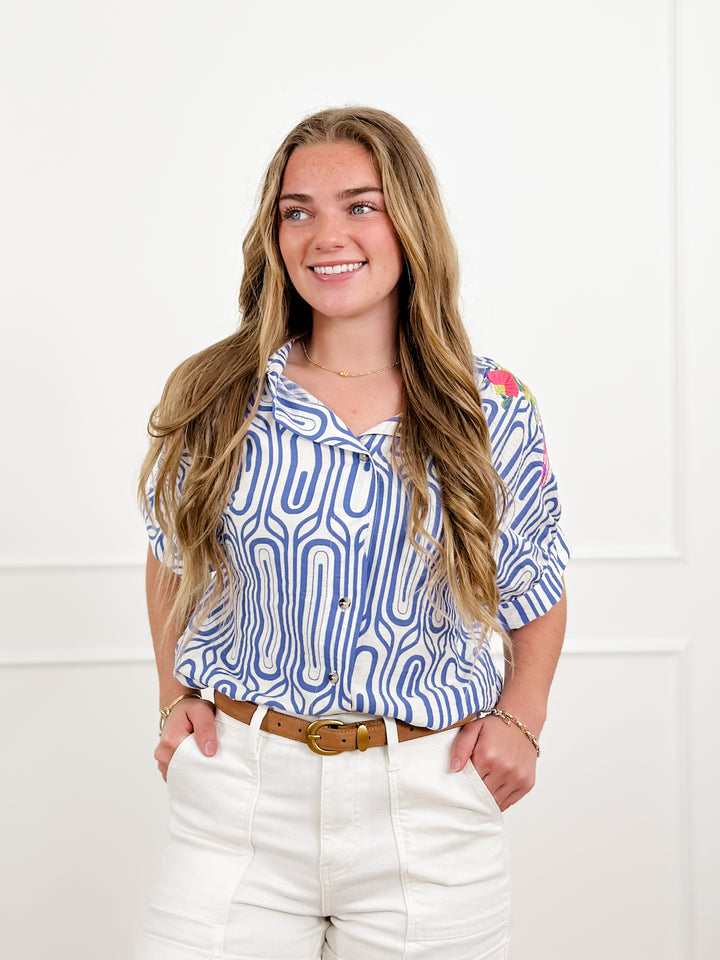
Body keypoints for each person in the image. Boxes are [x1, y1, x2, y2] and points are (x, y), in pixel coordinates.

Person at [136, 106, 568, 960]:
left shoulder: (492, 405)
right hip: (237, 802)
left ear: (410, 220)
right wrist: (171, 697)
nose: (325, 235)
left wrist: (522, 720)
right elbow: (171, 556)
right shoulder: (218, 394)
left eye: (359, 205)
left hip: (430, 808)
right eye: (297, 211)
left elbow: (536, 580)